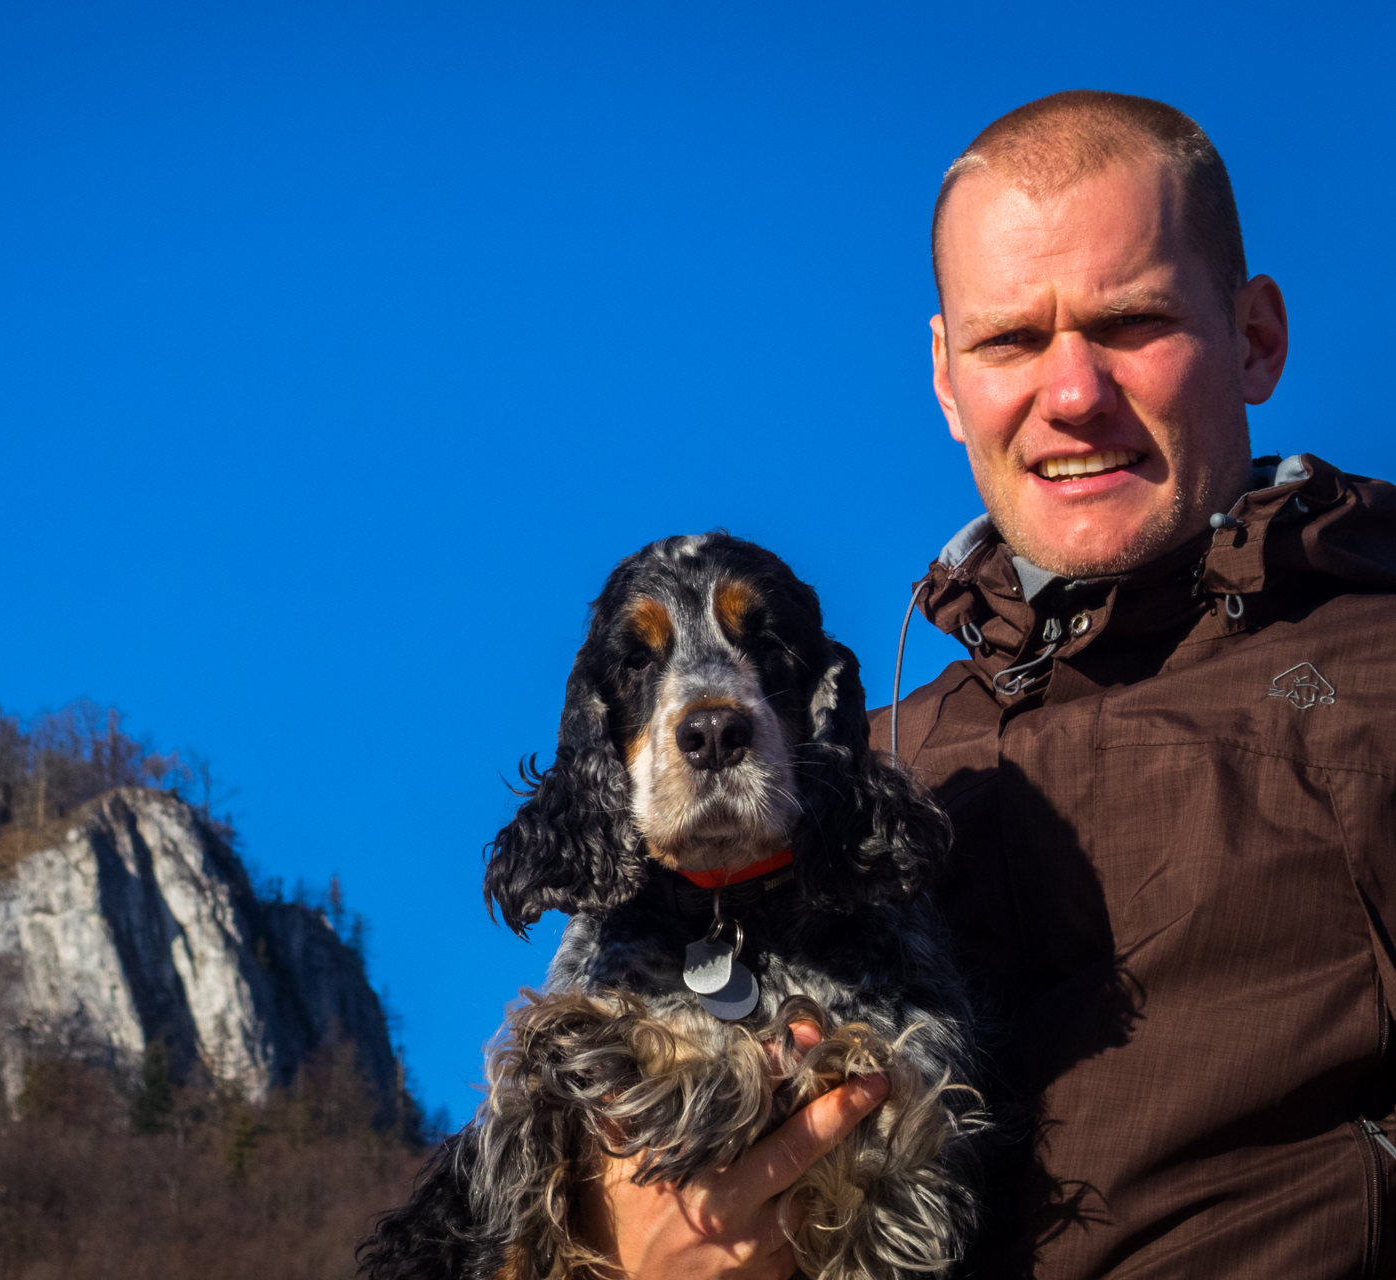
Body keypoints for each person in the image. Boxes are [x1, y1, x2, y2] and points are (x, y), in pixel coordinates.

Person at [583, 90, 1396, 1278]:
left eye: (1129, 322)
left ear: (1256, 337)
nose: (1072, 393)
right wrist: (610, 1246)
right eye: (1012, 340)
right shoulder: (839, 766)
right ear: (948, 377)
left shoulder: (1372, 668)